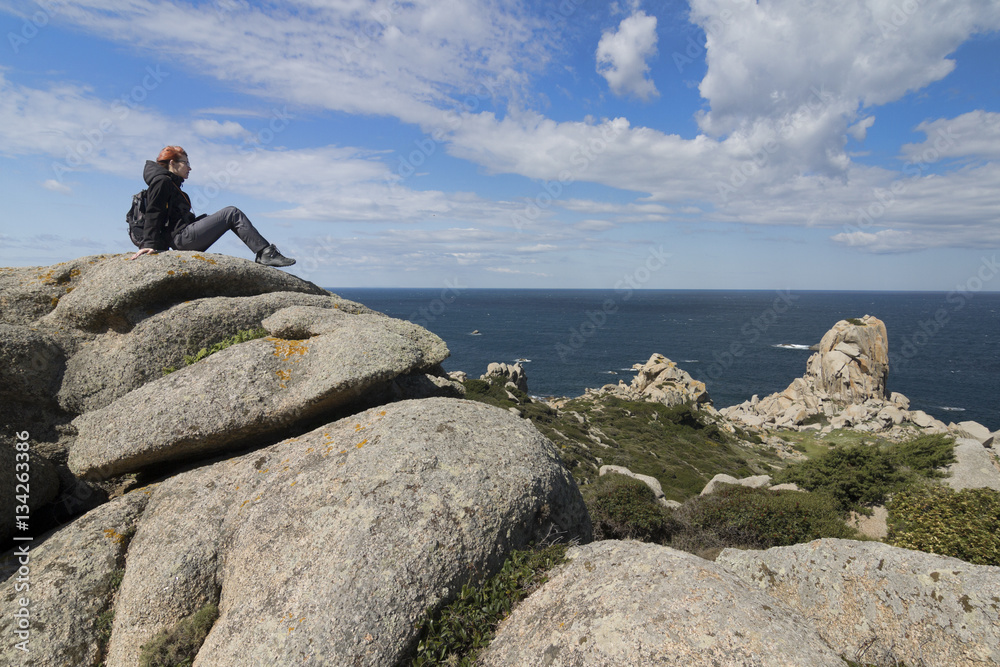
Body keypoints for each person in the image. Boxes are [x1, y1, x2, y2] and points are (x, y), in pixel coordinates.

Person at [128, 146, 295, 267]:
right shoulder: (162, 181)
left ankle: (264, 253)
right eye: (185, 163)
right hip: (181, 239)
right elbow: (154, 211)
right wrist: (149, 244)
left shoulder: (170, 183)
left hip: (181, 237)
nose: (190, 167)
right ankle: (265, 254)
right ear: (172, 163)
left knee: (228, 214)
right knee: (231, 213)